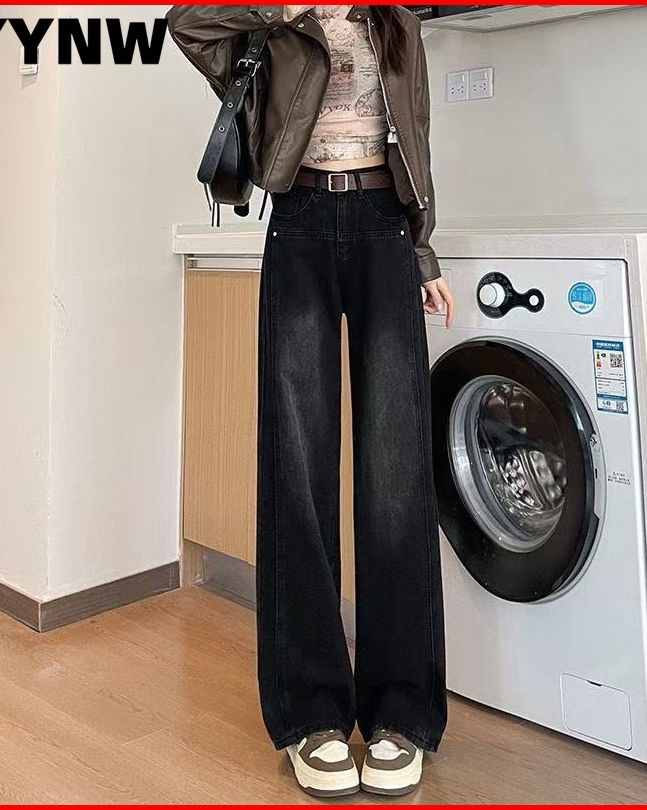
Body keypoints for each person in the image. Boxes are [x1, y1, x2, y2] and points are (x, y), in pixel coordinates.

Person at [166, 4, 455, 797]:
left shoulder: (395, 23)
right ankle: (310, 715)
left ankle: (402, 712)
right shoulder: (274, 24)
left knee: (395, 472)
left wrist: (423, 250)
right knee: (297, 466)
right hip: (297, 223)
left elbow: (416, 131)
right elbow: (185, 23)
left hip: (384, 228)